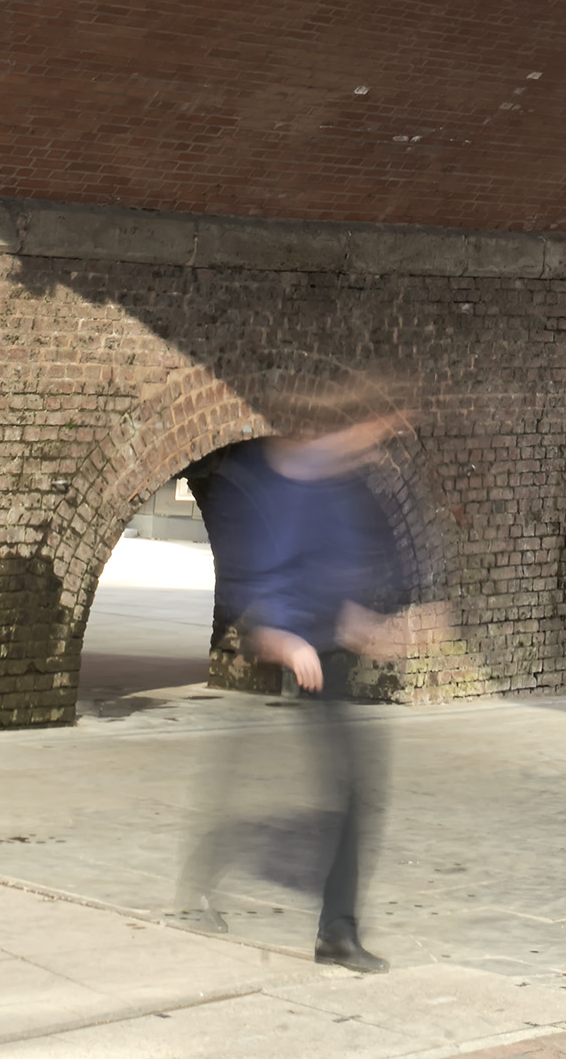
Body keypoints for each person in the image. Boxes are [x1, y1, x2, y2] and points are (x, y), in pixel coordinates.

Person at [181, 393, 447, 973]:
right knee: (273, 778)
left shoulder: (338, 490)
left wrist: (382, 630)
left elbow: (340, 592)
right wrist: (285, 639)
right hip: (300, 653)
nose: (377, 445)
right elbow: (262, 590)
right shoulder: (280, 486)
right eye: (372, 431)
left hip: (327, 655)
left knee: (343, 787)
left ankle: (332, 930)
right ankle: (318, 927)